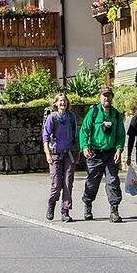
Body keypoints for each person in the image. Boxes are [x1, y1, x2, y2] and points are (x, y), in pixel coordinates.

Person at [79, 86, 126, 223]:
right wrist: (85, 147)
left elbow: (120, 135)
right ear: (100, 97)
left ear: (112, 97)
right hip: (95, 154)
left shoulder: (116, 114)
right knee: (92, 182)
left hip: (111, 153)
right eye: (104, 95)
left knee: (113, 182)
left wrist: (119, 149)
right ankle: (88, 206)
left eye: (109, 95)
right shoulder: (93, 112)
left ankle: (114, 210)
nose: (106, 98)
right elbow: (84, 131)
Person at [42, 92, 79, 222]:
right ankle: (51, 204)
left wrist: (77, 152)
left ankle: (65, 211)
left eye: (65, 101)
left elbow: (75, 136)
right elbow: (45, 137)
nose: (63, 103)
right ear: (56, 103)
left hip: (68, 154)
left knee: (68, 183)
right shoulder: (52, 118)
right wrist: (48, 154)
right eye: (60, 101)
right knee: (56, 185)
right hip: (55, 155)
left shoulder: (71, 117)